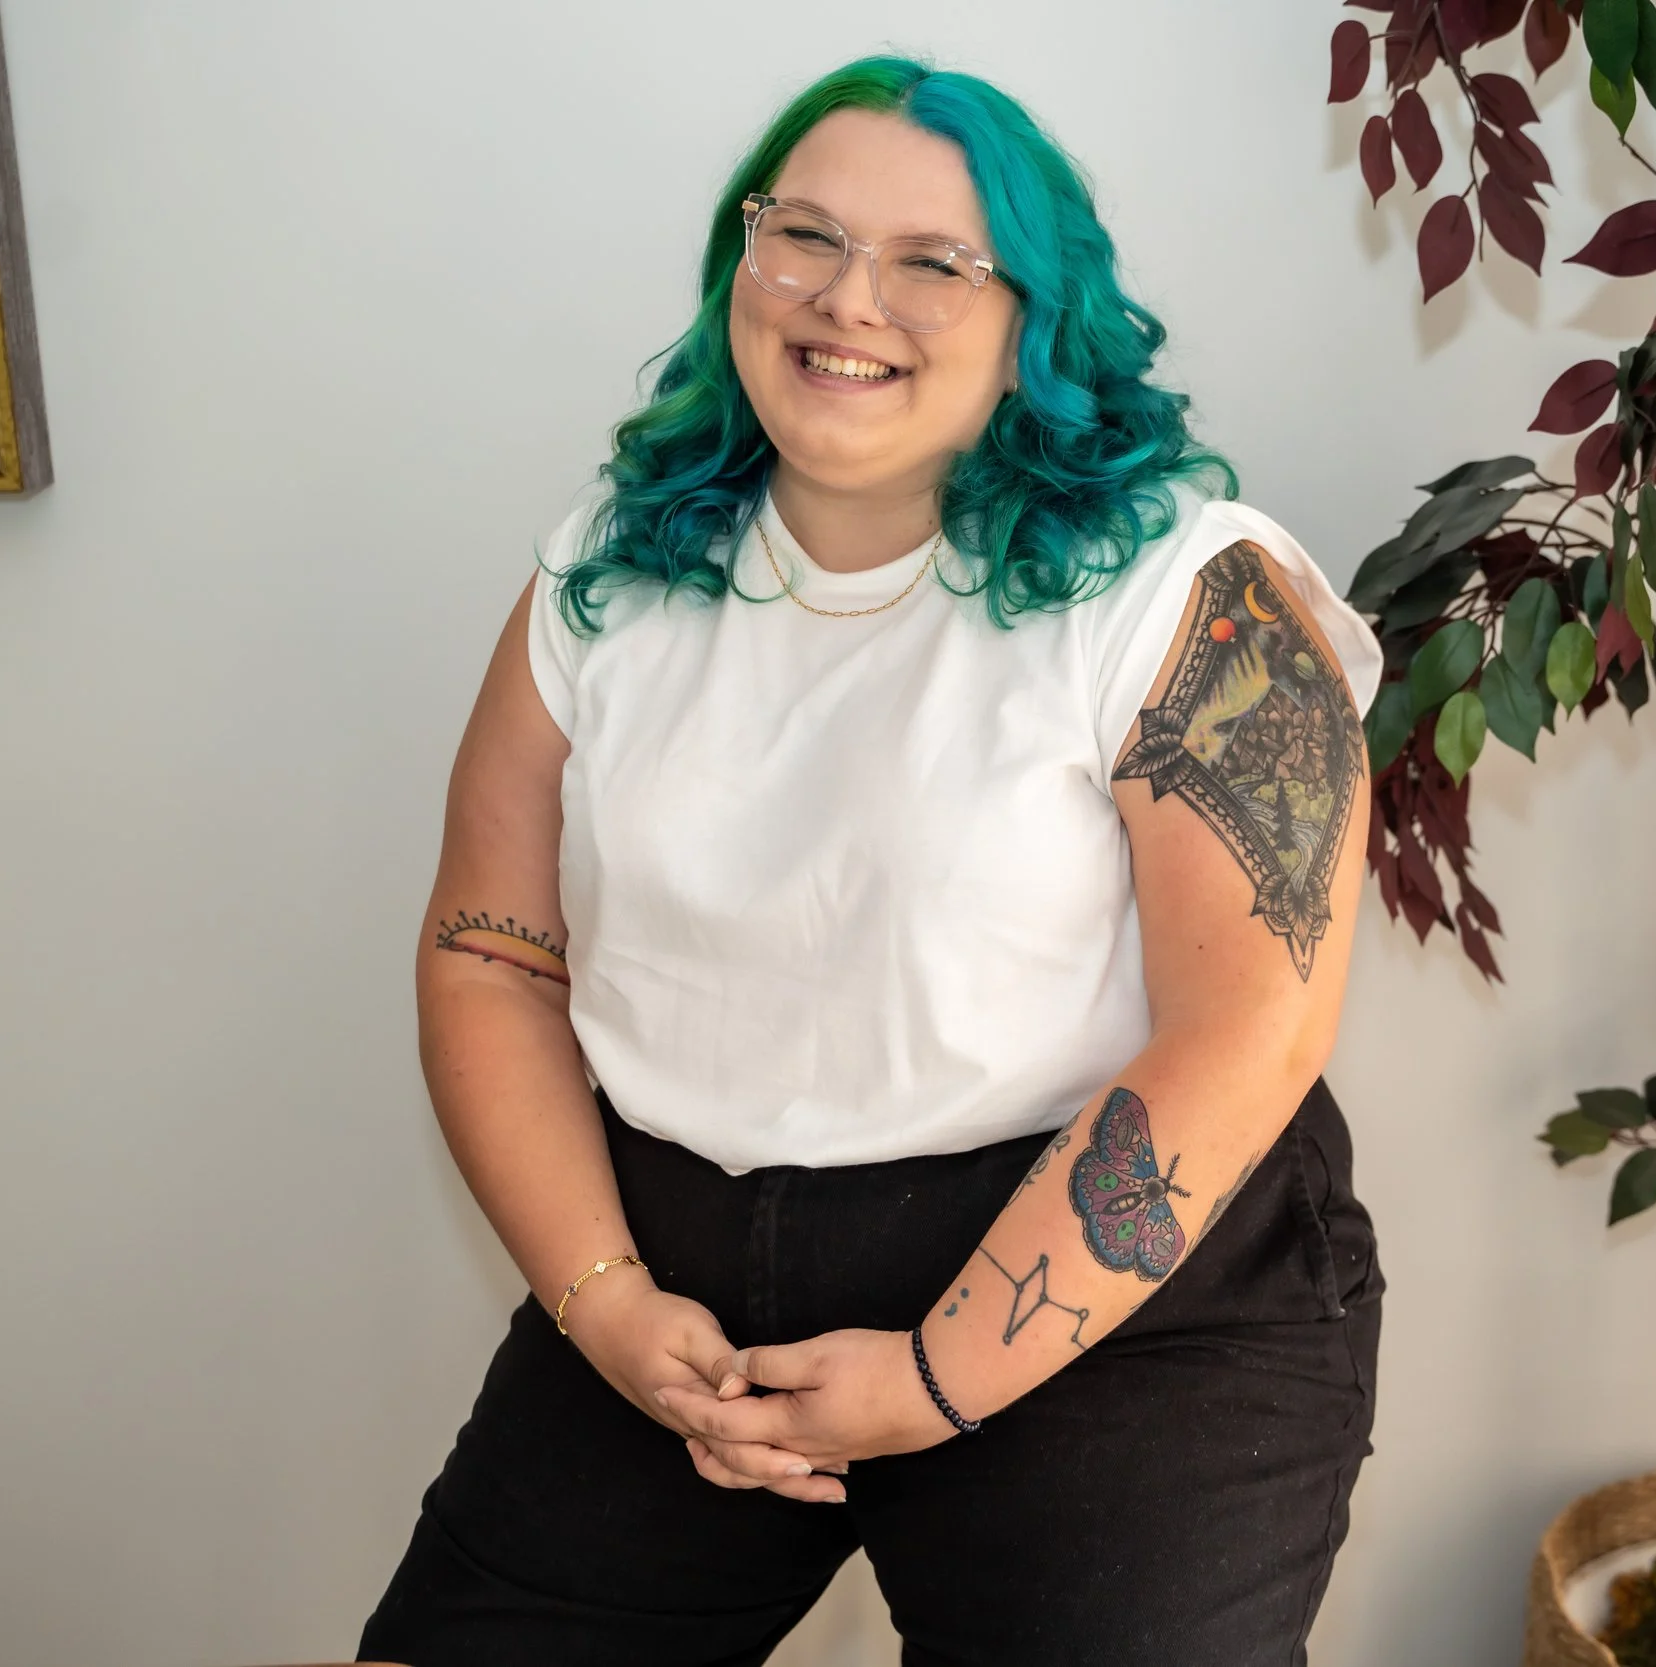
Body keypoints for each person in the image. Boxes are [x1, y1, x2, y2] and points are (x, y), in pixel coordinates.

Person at [357, 54, 1384, 1667]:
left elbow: (1249, 1025)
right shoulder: (610, 568)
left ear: (1036, 313)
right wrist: (612, 1308)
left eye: (933, 261)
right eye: (805, 236)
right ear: (738, 262)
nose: (852, 298)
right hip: (673, 1291)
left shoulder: (1188, 591)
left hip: (1117, 1301)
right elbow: (490, 950)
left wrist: (938, 1376)